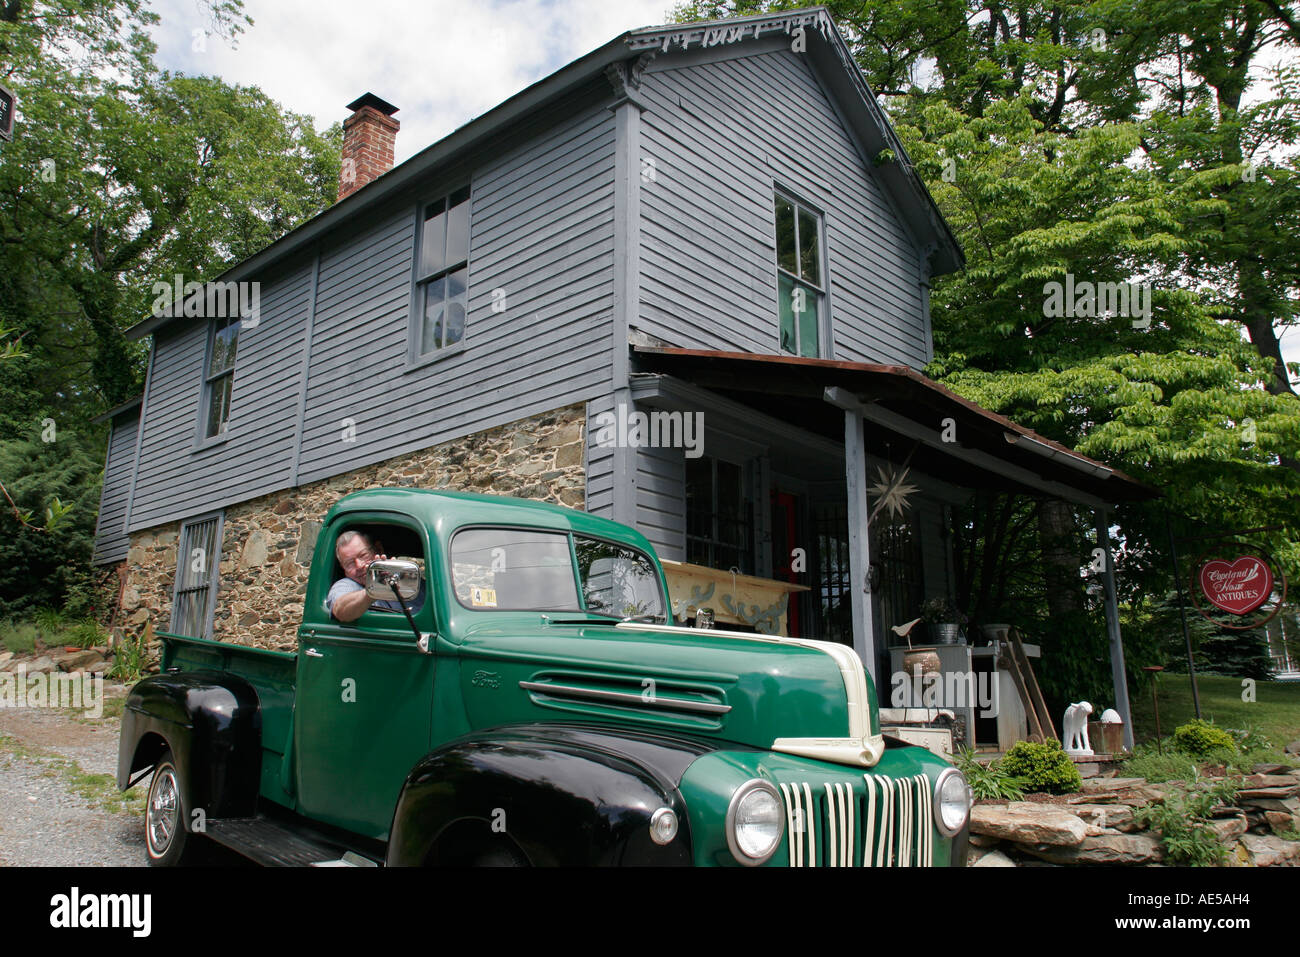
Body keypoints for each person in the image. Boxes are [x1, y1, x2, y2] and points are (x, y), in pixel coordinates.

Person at [326, 529, 424, 623]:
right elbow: (340, 610)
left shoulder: (412, 582)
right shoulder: (346, 585)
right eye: (349, 563)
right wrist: (374, 589)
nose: (359, 565)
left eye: (363, 555)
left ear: (378, 550)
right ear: (343, 568)